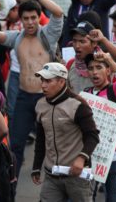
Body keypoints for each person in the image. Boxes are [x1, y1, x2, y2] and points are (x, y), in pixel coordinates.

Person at [0, 0, 64, 177]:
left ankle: (57, 185)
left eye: (33, 18)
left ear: (38, 18)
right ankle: (11, 185)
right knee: (15, 145)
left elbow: (58, 13)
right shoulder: (17, 37)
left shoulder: (48, 35)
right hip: (24, 98)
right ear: (21, 20)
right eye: (26, 18)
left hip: (48, 99)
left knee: (56, 145)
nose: (30, 22)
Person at [32, 62, 99, 201]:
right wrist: (36, 167)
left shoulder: (78, 105)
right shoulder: (40, 105)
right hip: (51, 176)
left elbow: (92, 135)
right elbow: (41, 139)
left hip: (77, 176)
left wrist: (81, 158)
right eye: (42, 80)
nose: (43, 85)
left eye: (48, 81)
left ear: (61, 82)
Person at [84, 51, 116, 202]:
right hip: (92, 156)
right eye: (91, 68)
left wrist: (109, 59)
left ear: (109, 70)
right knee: (87, 197)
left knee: (114, 198)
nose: (94, 72)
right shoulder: (85, 94)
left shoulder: (114, 90)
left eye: (99, 67)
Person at [67, 21, 116, 94]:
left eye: (82, 41)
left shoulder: (104, 59)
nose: (77, 46)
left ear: (94, 43)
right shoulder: (70, 64)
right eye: (74, 41)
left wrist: (103, 39)